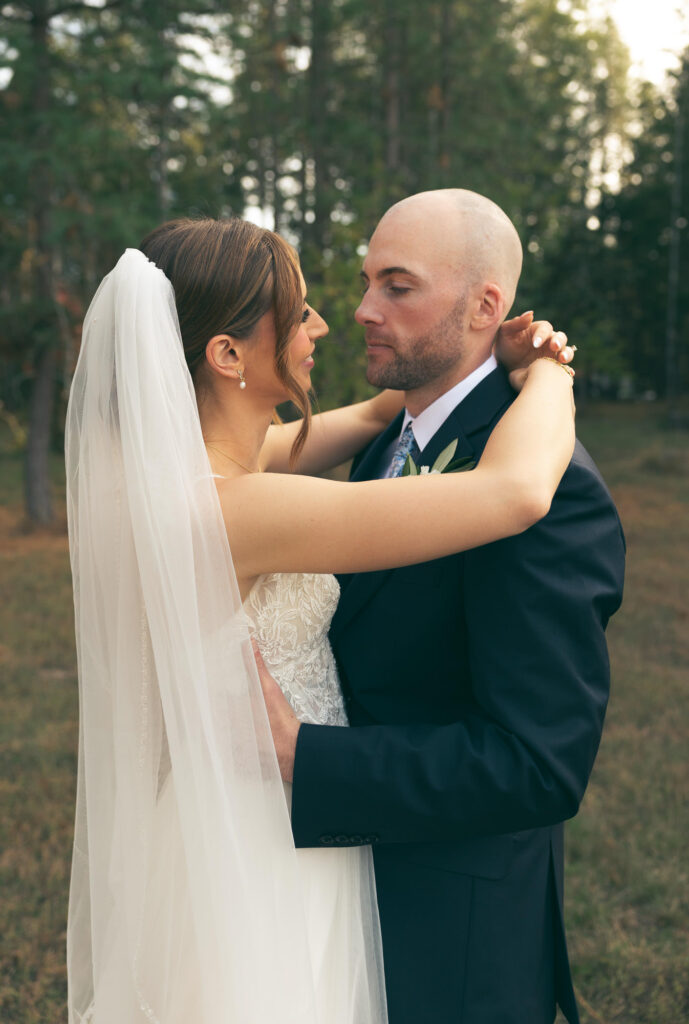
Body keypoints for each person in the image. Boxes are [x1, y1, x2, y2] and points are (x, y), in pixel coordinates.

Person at [65, 213, 575, 1024]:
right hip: (267, 846)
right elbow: (513, 493)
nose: (325, 324)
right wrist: (551, 373)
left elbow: (367, 421)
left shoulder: (178, 474)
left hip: (209, 830)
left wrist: (454, 370)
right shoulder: (232, 510)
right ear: (226, 355)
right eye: (297, 312)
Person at [255, 190, 626, 1024]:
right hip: (335, 897)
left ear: (484, 306)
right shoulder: (390, 437)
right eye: (365, 282)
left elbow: (538, 764)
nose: (359, 309)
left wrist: (305, 759)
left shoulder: (551, 488)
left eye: (397, 286)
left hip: (451, 937)